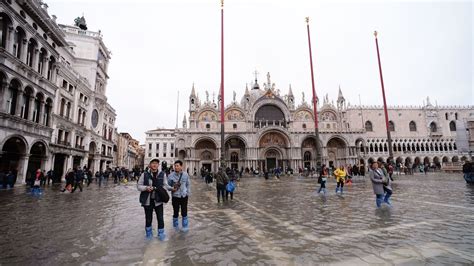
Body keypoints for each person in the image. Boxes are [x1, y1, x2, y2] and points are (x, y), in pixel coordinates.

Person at [137, 158, 168, 240]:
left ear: (158, 165)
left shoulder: (162, 174)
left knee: (160, 218)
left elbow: (165, 186)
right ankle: (149, 235)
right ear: (150, 165)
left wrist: (159, 189)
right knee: (148, 219)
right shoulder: (144, 174)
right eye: (153, 163)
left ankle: (161, 235)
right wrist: (146, 188)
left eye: (156, 163)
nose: (154, 165)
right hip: (147, 200)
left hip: (159, 200)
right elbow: (139, 186)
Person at [167, 160, 191, 232]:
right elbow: (167, 186)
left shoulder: (185, 175)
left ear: (181, 166)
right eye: (175, 166)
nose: (176, 167)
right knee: (175, 211)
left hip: (184, 196)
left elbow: (188, 184)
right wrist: (172, 189)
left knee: (184, 211)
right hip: (175, 196)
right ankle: (175, 226)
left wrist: (187, 192)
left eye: (177, 166)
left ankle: (185, 226)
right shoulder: (171, 175)